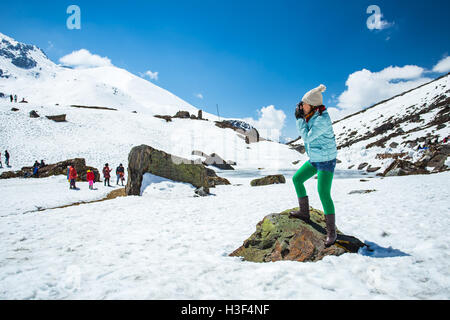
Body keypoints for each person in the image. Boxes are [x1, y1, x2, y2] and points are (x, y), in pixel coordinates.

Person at [289, 84, 338, 247]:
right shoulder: (312, 116)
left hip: (326, 160)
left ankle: (331, 232)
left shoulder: (322, 119)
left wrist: (298, 120)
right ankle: (304, 213)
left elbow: (308, 138)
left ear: (312, 105)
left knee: (323, 192)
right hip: (315, 158)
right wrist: (302, 118)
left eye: (303, 104)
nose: (301, 106)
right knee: (297, 179)